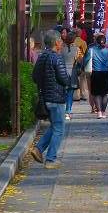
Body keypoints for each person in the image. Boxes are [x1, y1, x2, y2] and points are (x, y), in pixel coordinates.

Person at [31, 30, 71, 169]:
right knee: (59, 128)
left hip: (45, 97)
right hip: (56, 97)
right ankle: (51, 159)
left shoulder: (42, 56)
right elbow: (63, 78)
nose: (61, 43)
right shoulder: (57, 57)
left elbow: (35, 77)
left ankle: (38, 149)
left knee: (55, 126)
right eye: (60, 40)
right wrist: (70, 82)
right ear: (56, 42)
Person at [84, 33, 108, 117]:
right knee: (104, 94)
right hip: (107, 73)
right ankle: (104, 112)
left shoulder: (91, 50)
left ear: (97, 42)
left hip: (95, 73)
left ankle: (99, 112)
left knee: (97, 93)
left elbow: (86, 60)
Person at [60, 30, 80, 120]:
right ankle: (68, 112)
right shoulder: (76, 49)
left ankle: (61, 111)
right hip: (72, 73)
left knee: (63, 92)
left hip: (62, 72)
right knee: (70, 94)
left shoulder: (60, 48)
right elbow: (78, 60)